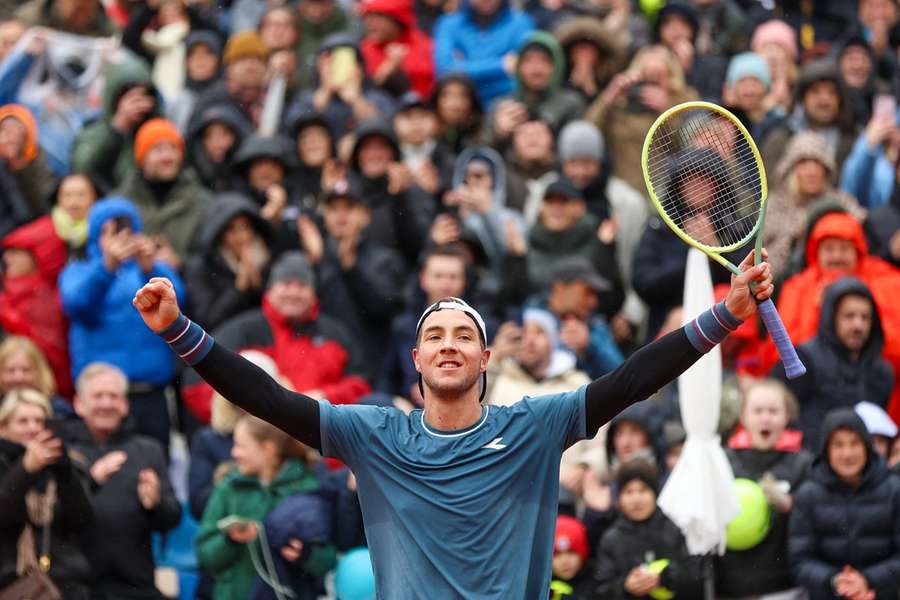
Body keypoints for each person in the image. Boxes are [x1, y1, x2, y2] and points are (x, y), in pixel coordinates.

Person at [133, 232, 774, 596]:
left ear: (485, 357)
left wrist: (727, 313)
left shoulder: (532, 426)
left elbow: (633, 379)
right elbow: (266, 399)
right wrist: (178, 331)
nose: (448, 344)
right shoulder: (374, 433)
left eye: (463, 336)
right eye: (435, 336)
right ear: (415, 358)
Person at [180, 251, 371, 422]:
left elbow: (361, 385)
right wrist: (245, 413)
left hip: (321, 434)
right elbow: (195, 386)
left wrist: (321, 400)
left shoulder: (335, 333)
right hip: (257, 442)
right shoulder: (243, 330)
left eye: (302, 285)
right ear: (270, 291)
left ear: (314, 294)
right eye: (286, 284)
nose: (294, 293)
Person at [59, 198, 186, 449]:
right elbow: (77, 305)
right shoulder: (80, 270)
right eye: (109, 230)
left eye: (126, 228)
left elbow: (177, 304)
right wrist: (107, 267)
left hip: (150, 391)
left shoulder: (152, 268)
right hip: (100, 396)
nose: (120, 236)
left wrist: (149, 268)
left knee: (155, 463)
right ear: (96, 233)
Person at [62, 362, 181, 600]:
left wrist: (155, 503)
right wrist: (90, 481)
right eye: (98, 396)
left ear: (125, 404)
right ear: (79, 404)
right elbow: (55, 516)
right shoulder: (62, 451)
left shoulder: (148, 449)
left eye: (114, 396)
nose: (106, 404)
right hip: (76, 587)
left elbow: (171, 518)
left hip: (136, 585)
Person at [196, 414, 337, 600]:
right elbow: (205, 554)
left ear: (267, 449)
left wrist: (305, 555)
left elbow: (328, 559)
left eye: (241, 446)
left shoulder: (307, 489)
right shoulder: (229, 488)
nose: (234, 453)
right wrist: (230, 540)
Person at [298, 176, 407, 381]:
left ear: (365, 215)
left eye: (349, 207)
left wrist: (351, 268)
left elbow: (383, 310)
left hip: (373, 372)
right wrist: (316, 264)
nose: (341, 215)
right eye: (333, 209)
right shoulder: (314, 259)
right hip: (323, 370)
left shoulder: (386, 259)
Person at [789, 408, 900, 599]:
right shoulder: (808, 494)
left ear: (866, 446)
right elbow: (800, 560)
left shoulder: (894, 490)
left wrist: (867, 580)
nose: (847, 454)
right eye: (838, 445)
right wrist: (835, 581)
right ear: (826, 450)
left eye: (854, 443)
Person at [717, 378, 813, 600]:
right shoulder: (723, 460)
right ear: (743, 416)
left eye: (773, 411)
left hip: (783, 585)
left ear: (787, 415)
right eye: (757, 411)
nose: (765, 418)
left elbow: (819, 515)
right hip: (729, 583)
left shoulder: (804, 463)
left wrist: (791, 504)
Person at [774, 277, 894, 450]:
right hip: (811, 465)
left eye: (865, 317)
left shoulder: (882, 373)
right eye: (849, 316)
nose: (858, 325)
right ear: (832, 318)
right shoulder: (801, 361)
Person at [0, 389, 93, 600]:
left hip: (65, 582)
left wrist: (65, 472)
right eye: (23, 421)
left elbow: (82, 520)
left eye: (39, 421)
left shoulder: (66, 465)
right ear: (3, 427)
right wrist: (25, 470)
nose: (33, 428)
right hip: (12, 583)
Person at [593, 459, 702, 599]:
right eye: (628, 491)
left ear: (655, 494)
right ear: (619, 498)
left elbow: (694, 577)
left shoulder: (673, 529)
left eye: (643, 489)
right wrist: (624, 586)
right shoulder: (610, 539)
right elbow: (601, 589)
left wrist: (665, 578)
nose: (636, 499)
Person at [764, 131, 865, 279]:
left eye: (817, 163)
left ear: (826, 169)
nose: (812, 171)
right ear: (792, 168)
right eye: (804, 163)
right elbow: (767, 267)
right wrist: (794, 235)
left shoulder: (843, 203)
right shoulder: (775, 205)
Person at [116, 117, 211, 269]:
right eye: (158, 149)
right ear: (142, 157)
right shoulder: (119, 203)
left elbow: (212, 261)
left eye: (173, 148)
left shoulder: (202, 203)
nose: (167, 157)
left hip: (181, 289)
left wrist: (180, 263)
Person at [0, 219, 72, 398]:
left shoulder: (47, 297)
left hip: (51, 396)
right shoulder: (13, 294)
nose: (7, 258)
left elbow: (48, 350)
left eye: (15, 252)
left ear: (37, 256)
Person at [184, 193, 275, 333]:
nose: (242, 237)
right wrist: (239, 289)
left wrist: (258, 286)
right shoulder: (201, 267)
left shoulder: (266, 260)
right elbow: (206, 321)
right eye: (232, 230)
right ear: (219, 234)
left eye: (246, 227)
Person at [70, 60, 160, 192]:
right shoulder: (93, 130)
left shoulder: (160, 130)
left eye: (145, 95)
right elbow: (82, 169)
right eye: (130, 97)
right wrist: (118, 128)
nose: (139, 103)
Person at [484, 32, 585, 147]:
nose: (536, 68)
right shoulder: (502, 106)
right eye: (528, 60)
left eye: (544, 60)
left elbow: (578, 150)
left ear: (556, 66)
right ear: (518, 67)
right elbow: (482, 151)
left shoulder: (571, 104)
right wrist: (498, 133)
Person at [432, 0, 535, 106]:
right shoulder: (449, 24)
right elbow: (446, 70)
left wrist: (463, 66)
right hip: (462, 105)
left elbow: (524, 69)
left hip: (509, 102)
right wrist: (501, 65)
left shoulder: (521, 23)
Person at [484, 308, 591, 406]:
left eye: (539, 332)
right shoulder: (498, 376)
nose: (530, 340)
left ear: (552, 343)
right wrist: (495, 357)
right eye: (524, 332)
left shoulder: (576, 384)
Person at [359, 0, 435, 99]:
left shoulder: (426, 46)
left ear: (397, 18)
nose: (370, 23)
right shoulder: (363, 49)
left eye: (378, 16)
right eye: (368, 17)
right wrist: (388, 68)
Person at [549, 515, 594, 600]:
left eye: (571, 552)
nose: (565, 561)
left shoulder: (597, 583)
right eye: (556, 555)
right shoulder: (541, 589)